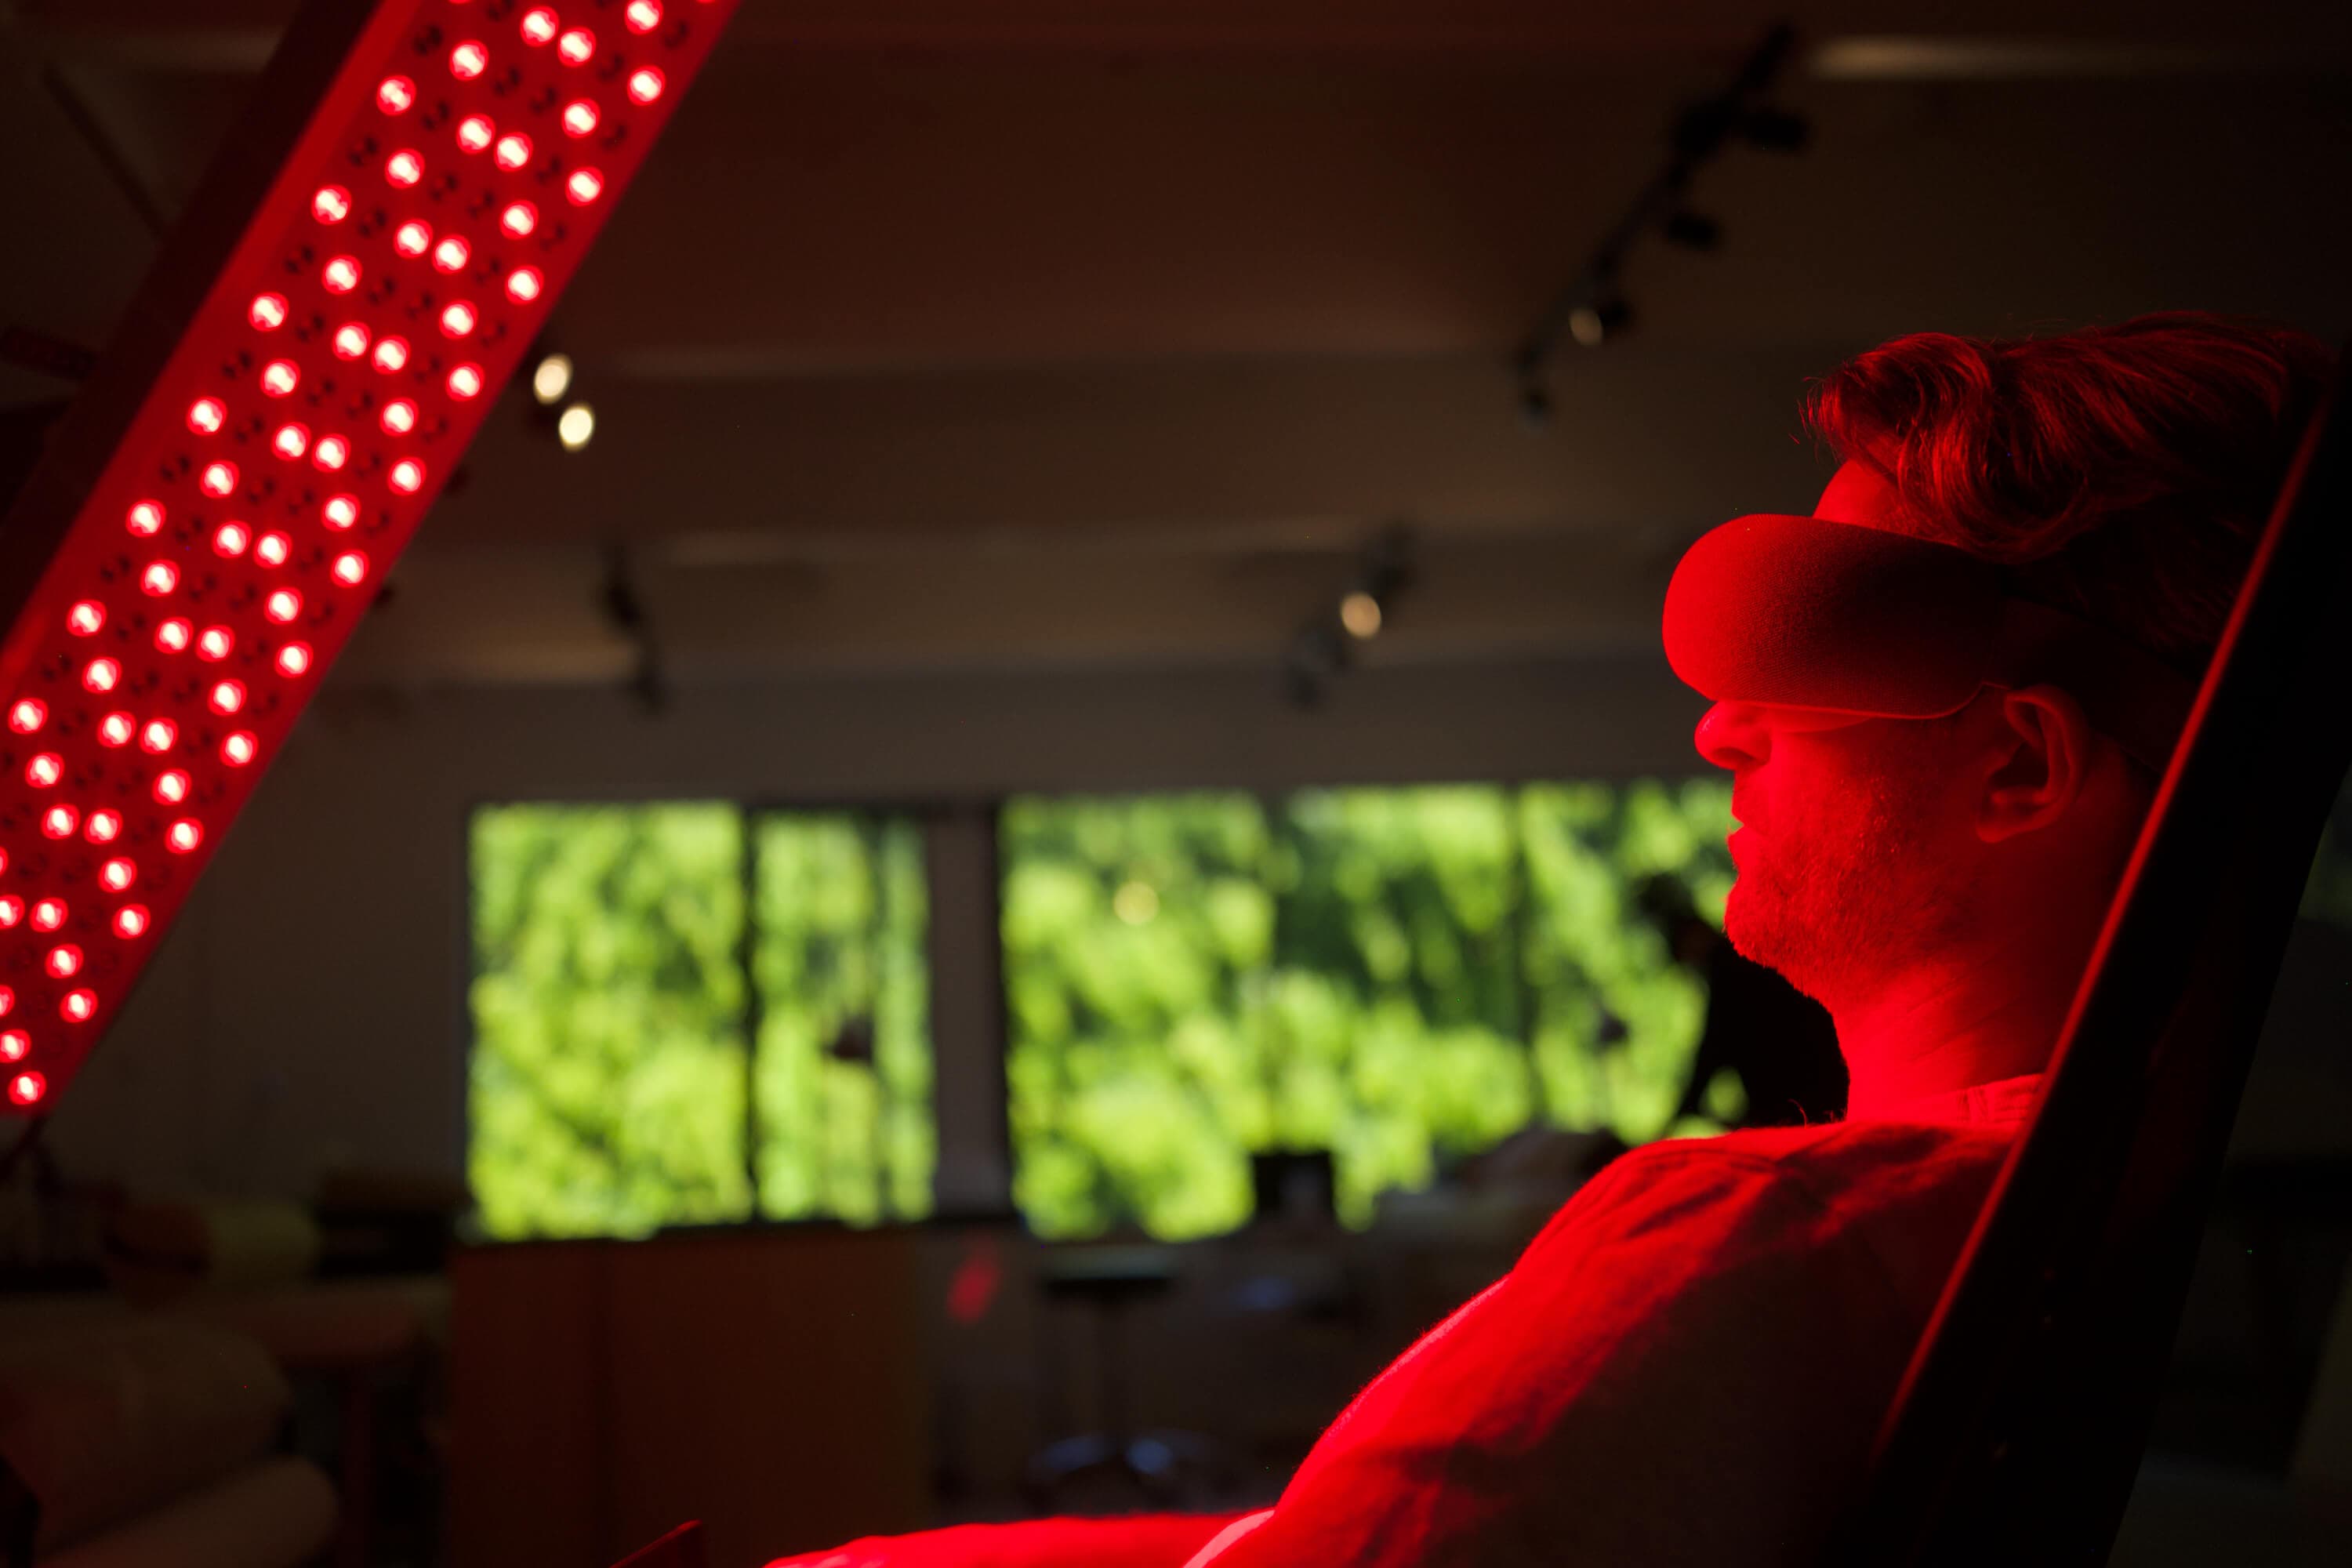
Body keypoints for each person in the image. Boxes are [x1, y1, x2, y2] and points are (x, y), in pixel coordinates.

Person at [767, 314, 2330, 1566]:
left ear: (2018, 766)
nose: (1725, 731)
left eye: (1806, 660)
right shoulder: (2053, 1240)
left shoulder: (1751, 1245)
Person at [1637, 873, 1847, 1129]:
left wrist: (1681, 1112)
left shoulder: (1731, 973)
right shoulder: (1749, 957)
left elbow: (1713, 1048)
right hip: (1822, 1078)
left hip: (1801, 1096)